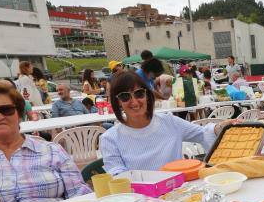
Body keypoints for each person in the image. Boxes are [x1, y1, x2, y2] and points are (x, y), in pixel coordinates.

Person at [99, 71, 231, 174]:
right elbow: (118, 176)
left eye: (139, 94)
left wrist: (221, 127)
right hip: (142, 199)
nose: (134, 102)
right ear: (118, 102)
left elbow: (203, 134)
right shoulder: (110, 139)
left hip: (178, 193)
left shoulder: (169, 122)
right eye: (125, 96)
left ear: (147, 95)